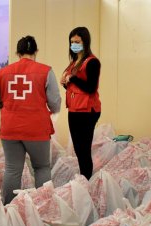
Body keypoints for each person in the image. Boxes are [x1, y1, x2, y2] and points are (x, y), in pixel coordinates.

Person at [0, 35, 61, 204]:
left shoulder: (4, 72)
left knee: (12, 169)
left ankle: (9, 209)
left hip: (10, 129)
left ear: (17, 53)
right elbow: (55, 100)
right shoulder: (46, 71)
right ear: (35, 52)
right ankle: (44, 207)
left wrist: (8, 106)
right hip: (36, 129)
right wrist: (52, 111)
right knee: (42, 167)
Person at [60, 26, 101, 180]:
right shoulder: (74, 62)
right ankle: (84, 178)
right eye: (72, 42)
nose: (74, 45)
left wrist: (73, 78)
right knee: (78, 149)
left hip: (87, 111)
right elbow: (73, 86)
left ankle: (87, 181)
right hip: (74, 110)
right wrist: (65, 82)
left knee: (84, 149)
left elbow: (90, 88)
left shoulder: (92, 62)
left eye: (77, 41)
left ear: (85, 41)